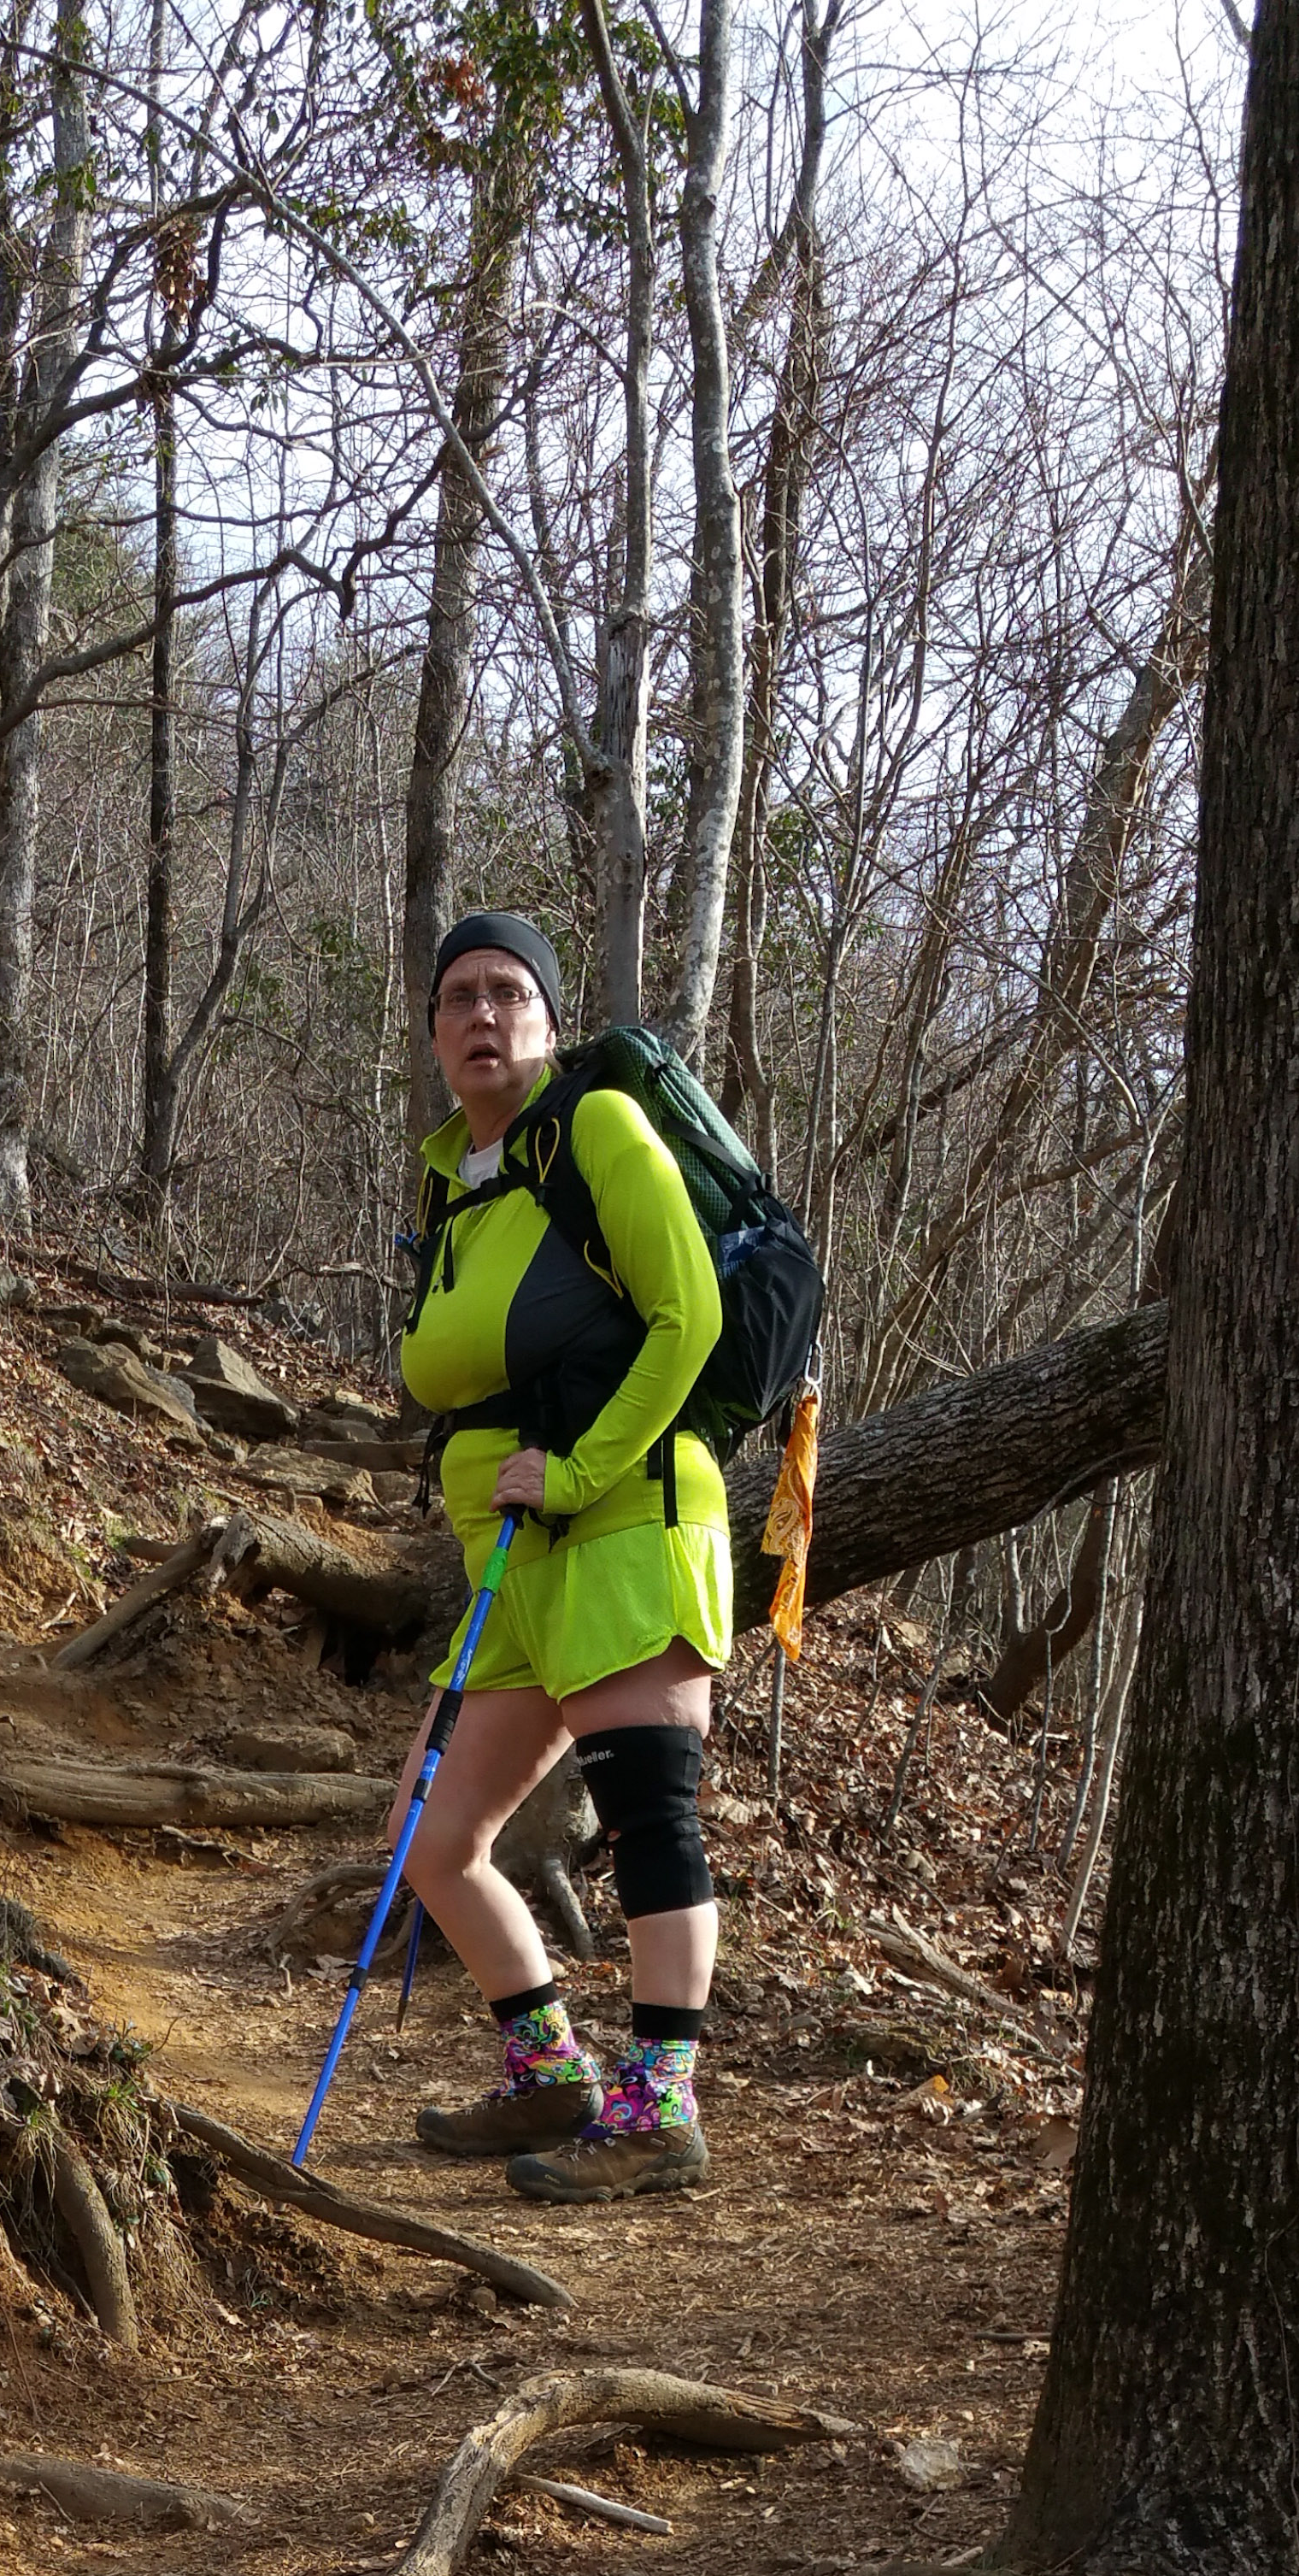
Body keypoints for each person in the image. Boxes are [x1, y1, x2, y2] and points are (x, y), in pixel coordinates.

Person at [389, 909, 732, 2203]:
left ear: (546, 1018)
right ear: (432, 1033)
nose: (483, 1014)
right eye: (459, 997)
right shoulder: (457, 1188)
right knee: (437, 1835)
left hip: (630, 1517)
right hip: (515, 1563)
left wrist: (583, 1468)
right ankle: (551, 2070)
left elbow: (687, 1312)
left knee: (648, 1809)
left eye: (508, 993)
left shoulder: (594, 1126)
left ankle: (661, 2109)